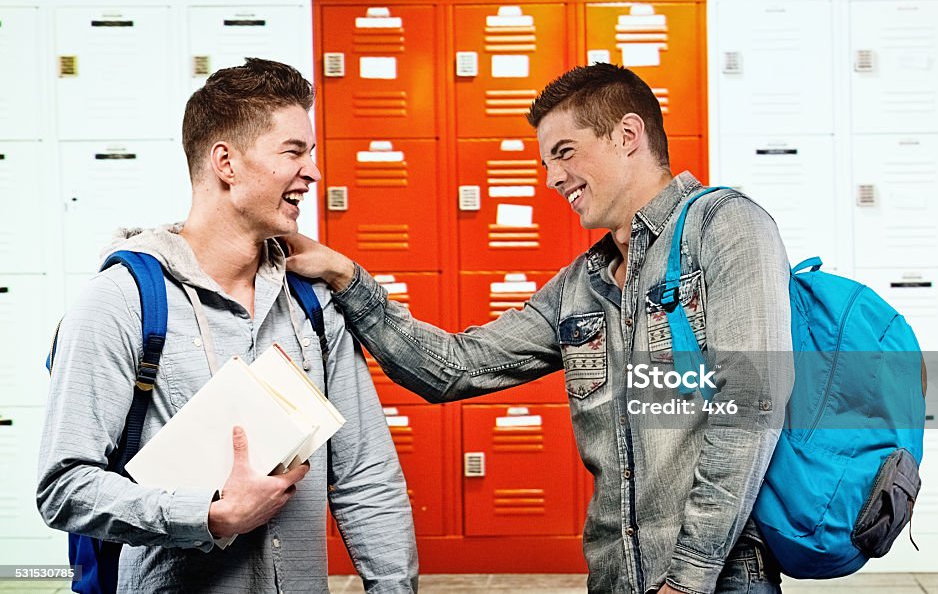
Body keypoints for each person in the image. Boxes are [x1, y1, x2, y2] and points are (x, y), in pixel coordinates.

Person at [285, 63, 793, 594]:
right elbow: (454, 368)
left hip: (717, 577)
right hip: (616, 577)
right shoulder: (582, 285)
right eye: (546, 161)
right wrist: (346, 277)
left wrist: (688, 578)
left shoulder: (726, 226)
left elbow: (751, 405)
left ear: (627, 136)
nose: (551, 178)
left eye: (564, 153)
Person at [37, 58, 418, 593]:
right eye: (294, 151)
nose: (313, 172)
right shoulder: (120, 303)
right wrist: (208, 515)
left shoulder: (312, 302)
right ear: (226, 163)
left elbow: (366, 478)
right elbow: (64, 486)